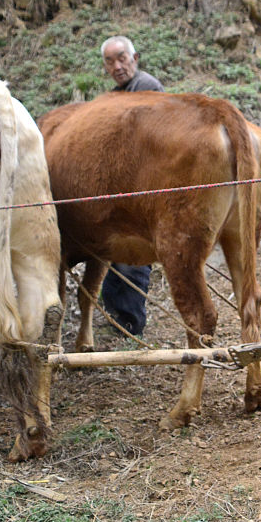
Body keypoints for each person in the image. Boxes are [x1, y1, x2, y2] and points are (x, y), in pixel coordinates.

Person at [98, 35, 164, 336]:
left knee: (135, 253)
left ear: (135, 58)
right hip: (127, 186)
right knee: (121, 250)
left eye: (122, 58)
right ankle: (117, 316)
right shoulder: (117, 94)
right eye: (110, 61)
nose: (117, 65)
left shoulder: (146, 88)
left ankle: (129, 324)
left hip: (144, 184)